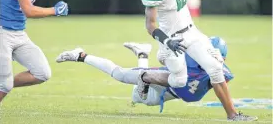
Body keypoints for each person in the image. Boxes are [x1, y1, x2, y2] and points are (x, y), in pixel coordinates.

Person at [138, 0, 256, 121]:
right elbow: (150, 25)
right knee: (179, 81)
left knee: (216, 68)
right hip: (171, 40)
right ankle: (145, 77)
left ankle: (232, 115)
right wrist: (167, 41)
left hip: (191, 32)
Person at [56, 37, 257, 121]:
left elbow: (220, 84)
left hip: (170, 92)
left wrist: (231, 112)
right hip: (163, 78)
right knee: (121, 75)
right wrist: (148, 78)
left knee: (138, 98)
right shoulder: (186, 56)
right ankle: (81, 55)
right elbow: (163, 63)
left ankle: (142, 53)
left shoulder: (220, 71)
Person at [0, 0, 69, 102]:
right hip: (2, 31)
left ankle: (4, 82)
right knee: (4, 85)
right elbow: (28, 11)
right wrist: (55, 10)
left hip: (18, 33)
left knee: (42, 73)